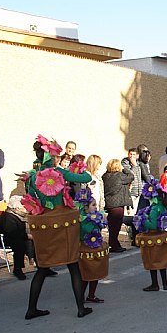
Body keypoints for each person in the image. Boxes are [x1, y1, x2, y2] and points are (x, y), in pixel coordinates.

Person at [24, 137, 94, 320]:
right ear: (53, 156)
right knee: (73, 265)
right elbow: (86, 177)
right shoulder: (59, 172)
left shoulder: (32, 177)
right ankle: (80, 308)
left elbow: (31, 200)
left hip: (44, 226)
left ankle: (31, 309)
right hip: (64, 224)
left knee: (42, 268)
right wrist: (78, 168)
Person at [102, 159, 134, 253]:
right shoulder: (120, 176)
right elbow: (131, 176)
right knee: (116, 226)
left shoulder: (105, 176)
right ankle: (114, 245)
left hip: (109, 203)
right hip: (118, 204)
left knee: (112, 226)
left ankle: (113, 243)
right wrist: (125, 169)